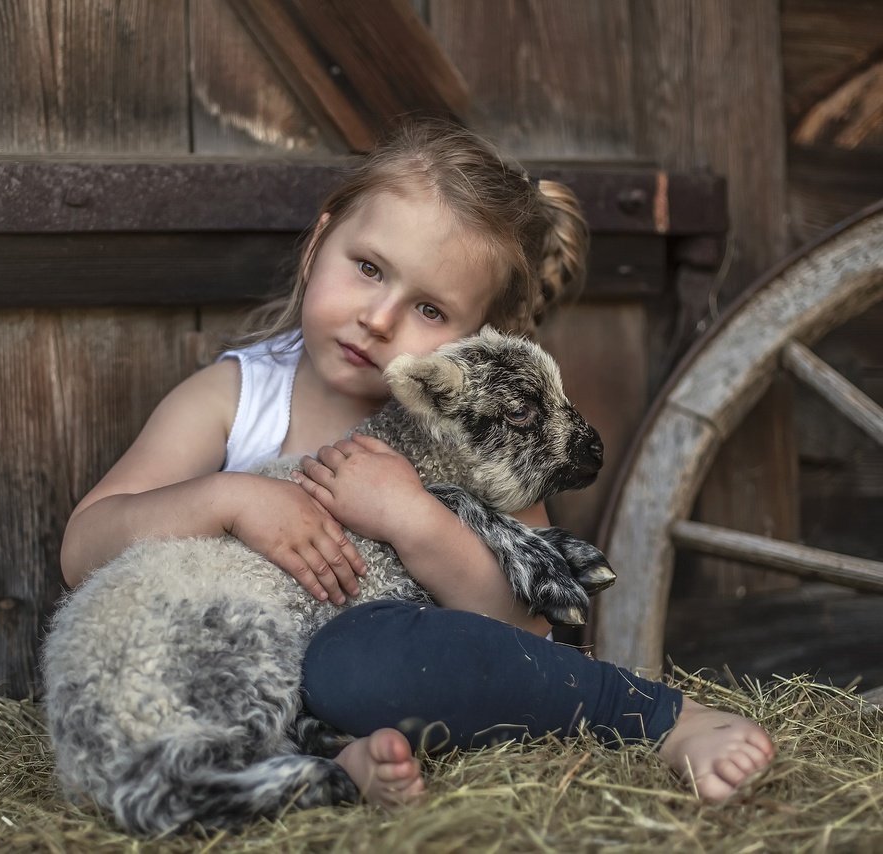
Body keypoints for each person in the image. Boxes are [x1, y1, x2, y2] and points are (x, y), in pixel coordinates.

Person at [61, 119, 774, 810]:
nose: (379, 318)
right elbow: (82, 548)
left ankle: (660, 719)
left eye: (429, 310)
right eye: (368, 268)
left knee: (359, 664)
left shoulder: (477, 437)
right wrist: (227, 499)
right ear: (320, 240)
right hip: (244, 679)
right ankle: (325, 771)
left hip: (380, 681)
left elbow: (530, 633)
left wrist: (411, 517)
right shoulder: (235, 399)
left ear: (478, 341)